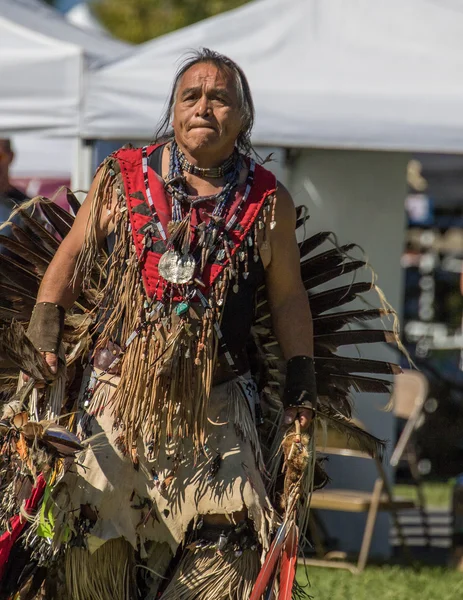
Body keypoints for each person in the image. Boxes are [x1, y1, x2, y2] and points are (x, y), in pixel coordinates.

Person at [0, 49, 393, 599]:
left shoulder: (266, 200)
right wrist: (45, 327)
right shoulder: (123, 177)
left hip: (219, 405)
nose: (203, 106)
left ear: (242, 116)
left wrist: (302, 383)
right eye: (191, 96)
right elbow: (70, 258)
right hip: (117, 402)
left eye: (219, 97)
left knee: (226, 552)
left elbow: (287, 300)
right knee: (93, 549)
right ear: (173, 111)